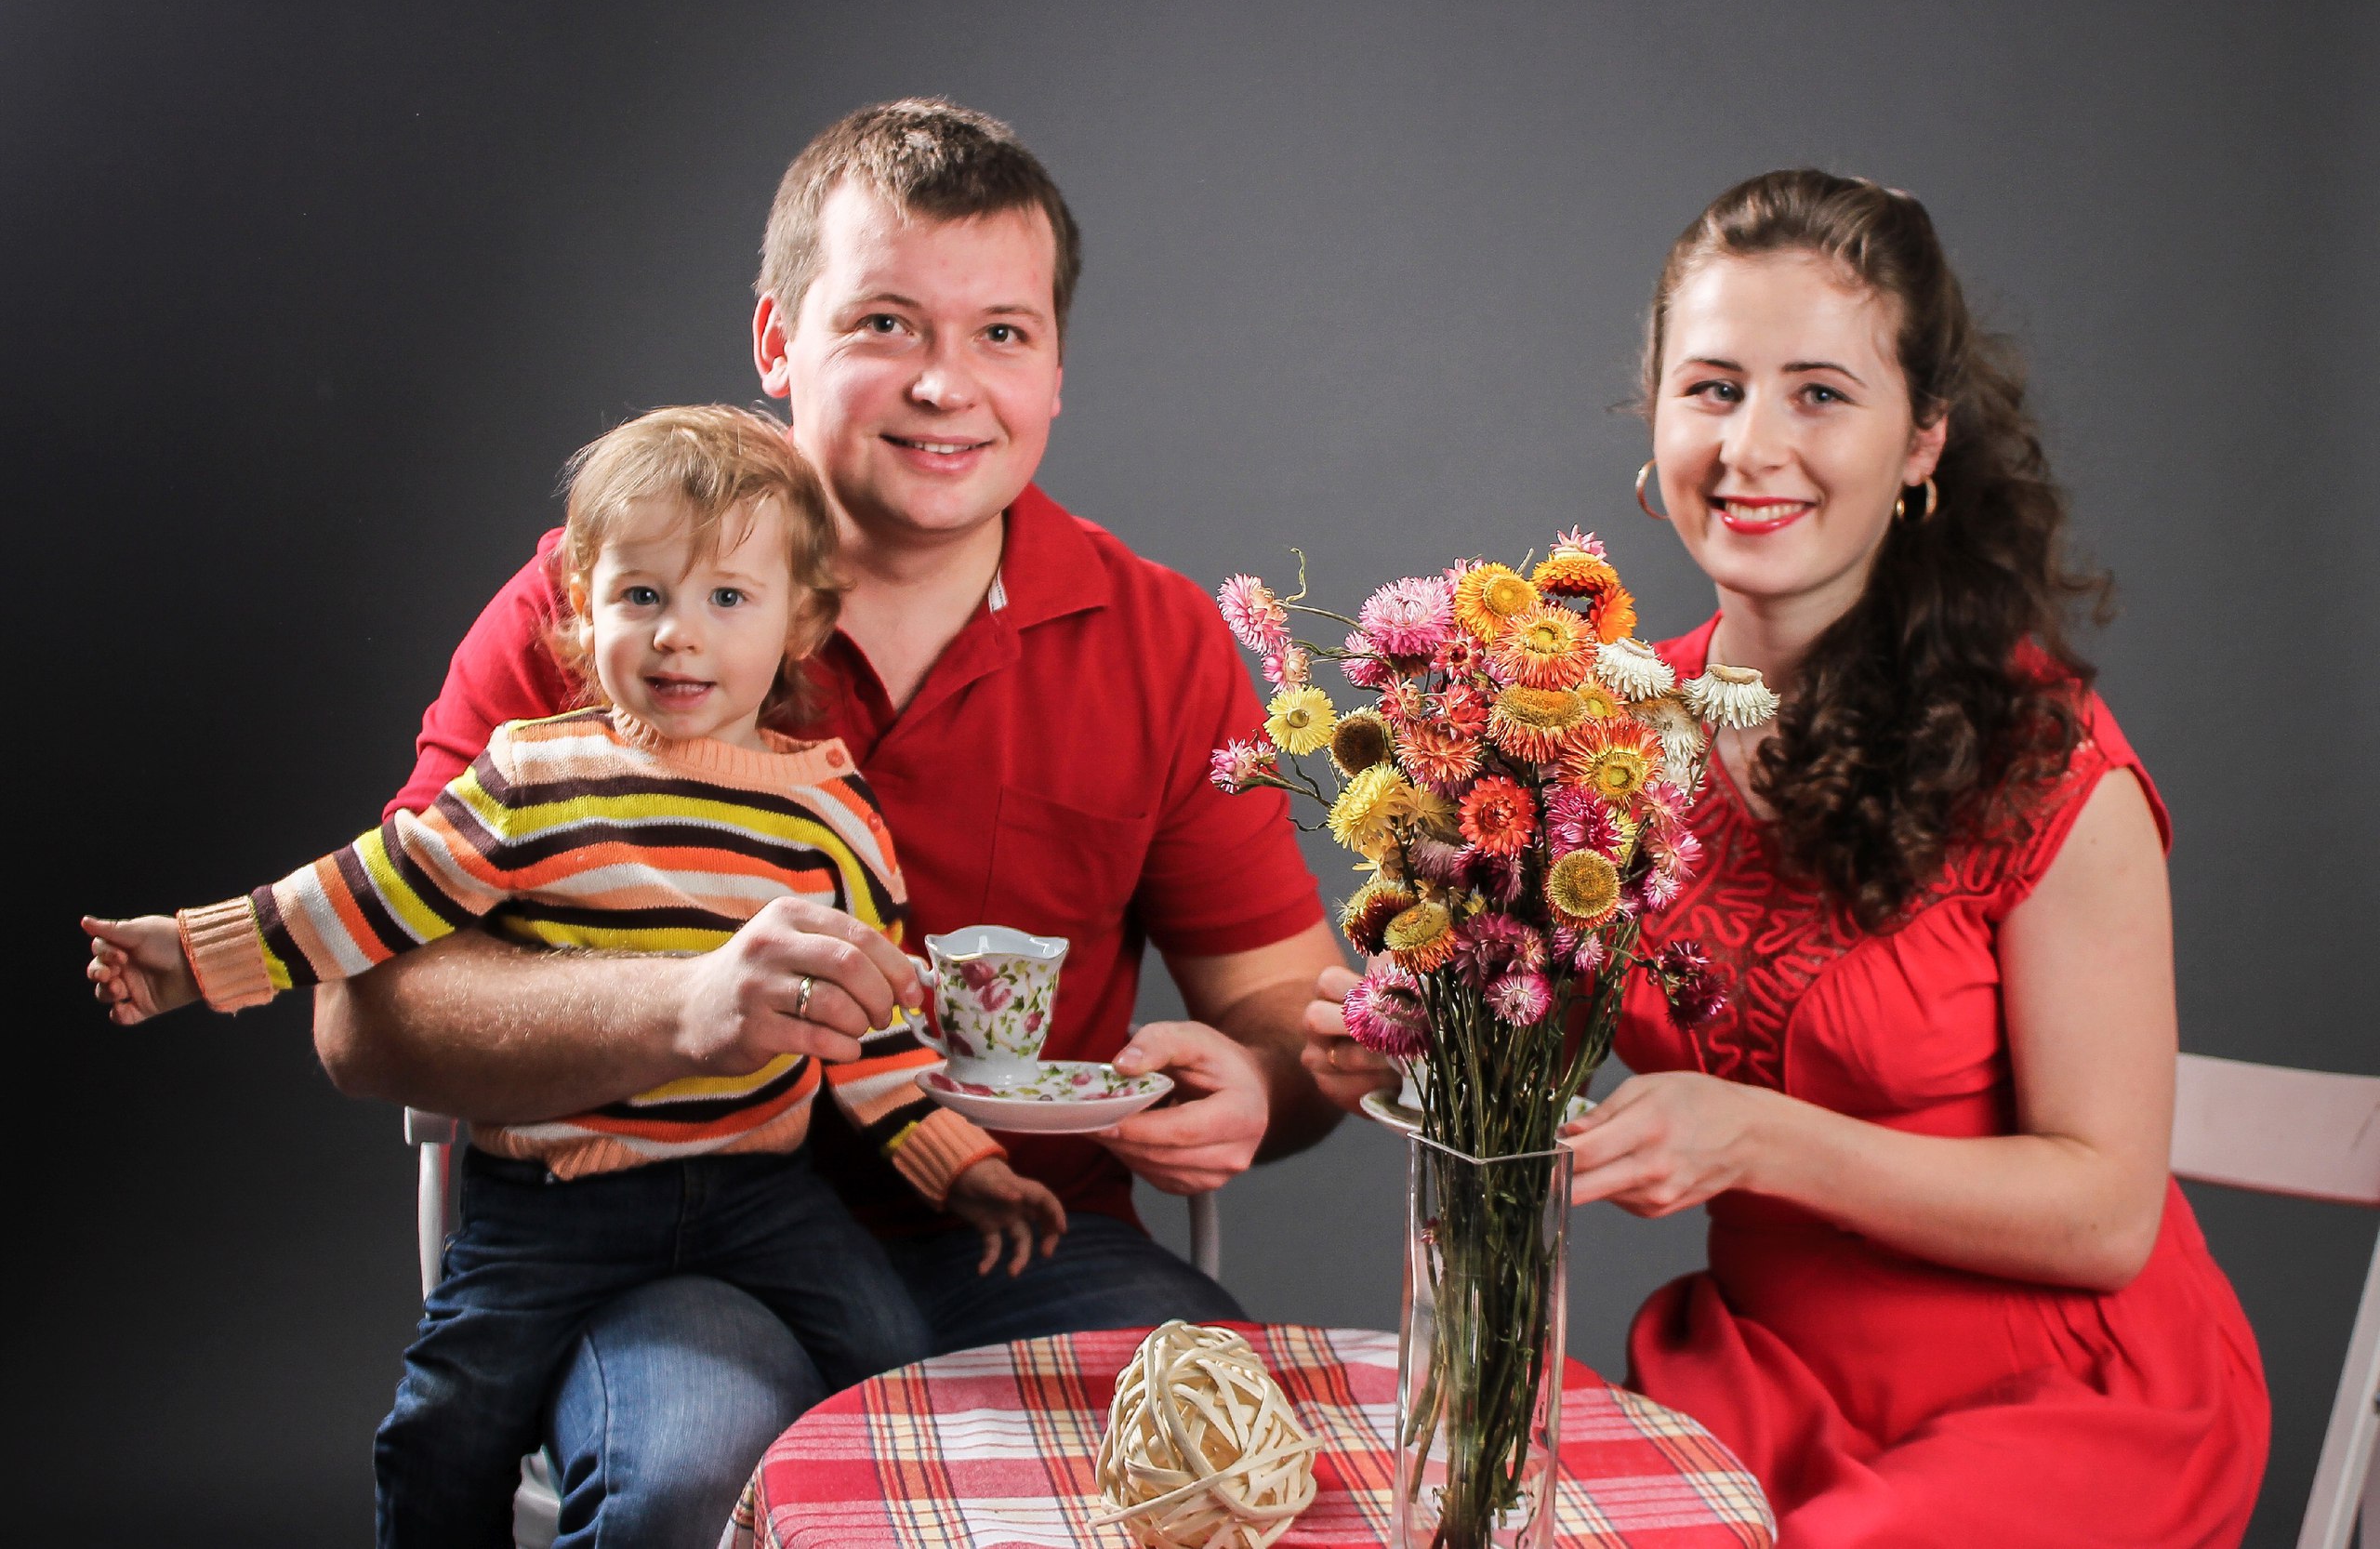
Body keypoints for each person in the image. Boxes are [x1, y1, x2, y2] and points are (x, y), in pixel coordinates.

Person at [309, 101, 1344, 1544]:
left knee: (1239, 1463)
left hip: (1019, 1235)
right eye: (884, 323)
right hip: (659, 1244)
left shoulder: (1159, 635)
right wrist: (681, 1007)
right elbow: (364, 1021)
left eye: (1002, 333)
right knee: (690, 1479)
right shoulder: (604, 601)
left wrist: (1256, 1079)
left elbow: (1289, 1019)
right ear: (776, 342)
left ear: (1056, 370)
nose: (947, 385)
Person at [1307, 170, 2268, 1546]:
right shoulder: (1612, 736)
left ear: (1923, 438)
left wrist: (1757, 1138)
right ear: (1656, 418)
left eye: (1820, 392)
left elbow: (2107, 1212)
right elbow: (1539, 1048)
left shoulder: (2045, 763)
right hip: (1765, 1384)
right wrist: (1407, 1046)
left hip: (2058, 1398)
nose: (1754, 446)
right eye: (1712, 388)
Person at [85, 404, 1068, 1544]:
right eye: (641, 596)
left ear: (803, 622)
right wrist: (201, 953)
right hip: (554, 1201)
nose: (677, 638)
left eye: (726, 601)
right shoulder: (534, 777)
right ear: (581, 608)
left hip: (761, 1193)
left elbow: (876, 1023)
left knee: (900, 1376)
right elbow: (373, 894)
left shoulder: (831, 815)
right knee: (443, 1422)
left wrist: (962, 1165)